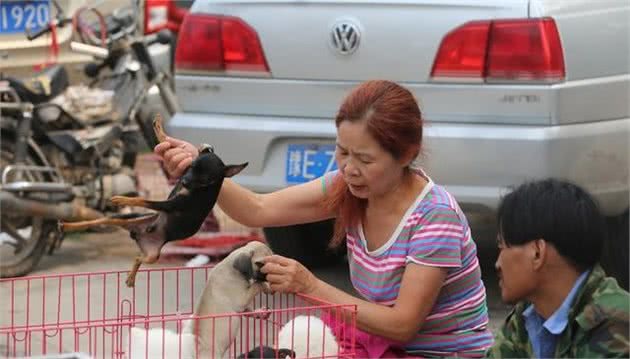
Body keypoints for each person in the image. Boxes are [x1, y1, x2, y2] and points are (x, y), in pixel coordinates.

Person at [155, 80, 494, 357]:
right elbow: (257, 209)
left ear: (407, 154)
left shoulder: (435, 217)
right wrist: (200, 171)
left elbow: (403, 325)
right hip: (381, 346)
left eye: (364, 158)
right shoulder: (347, 187)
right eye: (342, 151)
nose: (349, 168)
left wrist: (309, 285)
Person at [486, 179, 630, 358]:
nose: (498, 263)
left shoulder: (614, 321)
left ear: (537, 253)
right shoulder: (529, 314)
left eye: (502, 246)